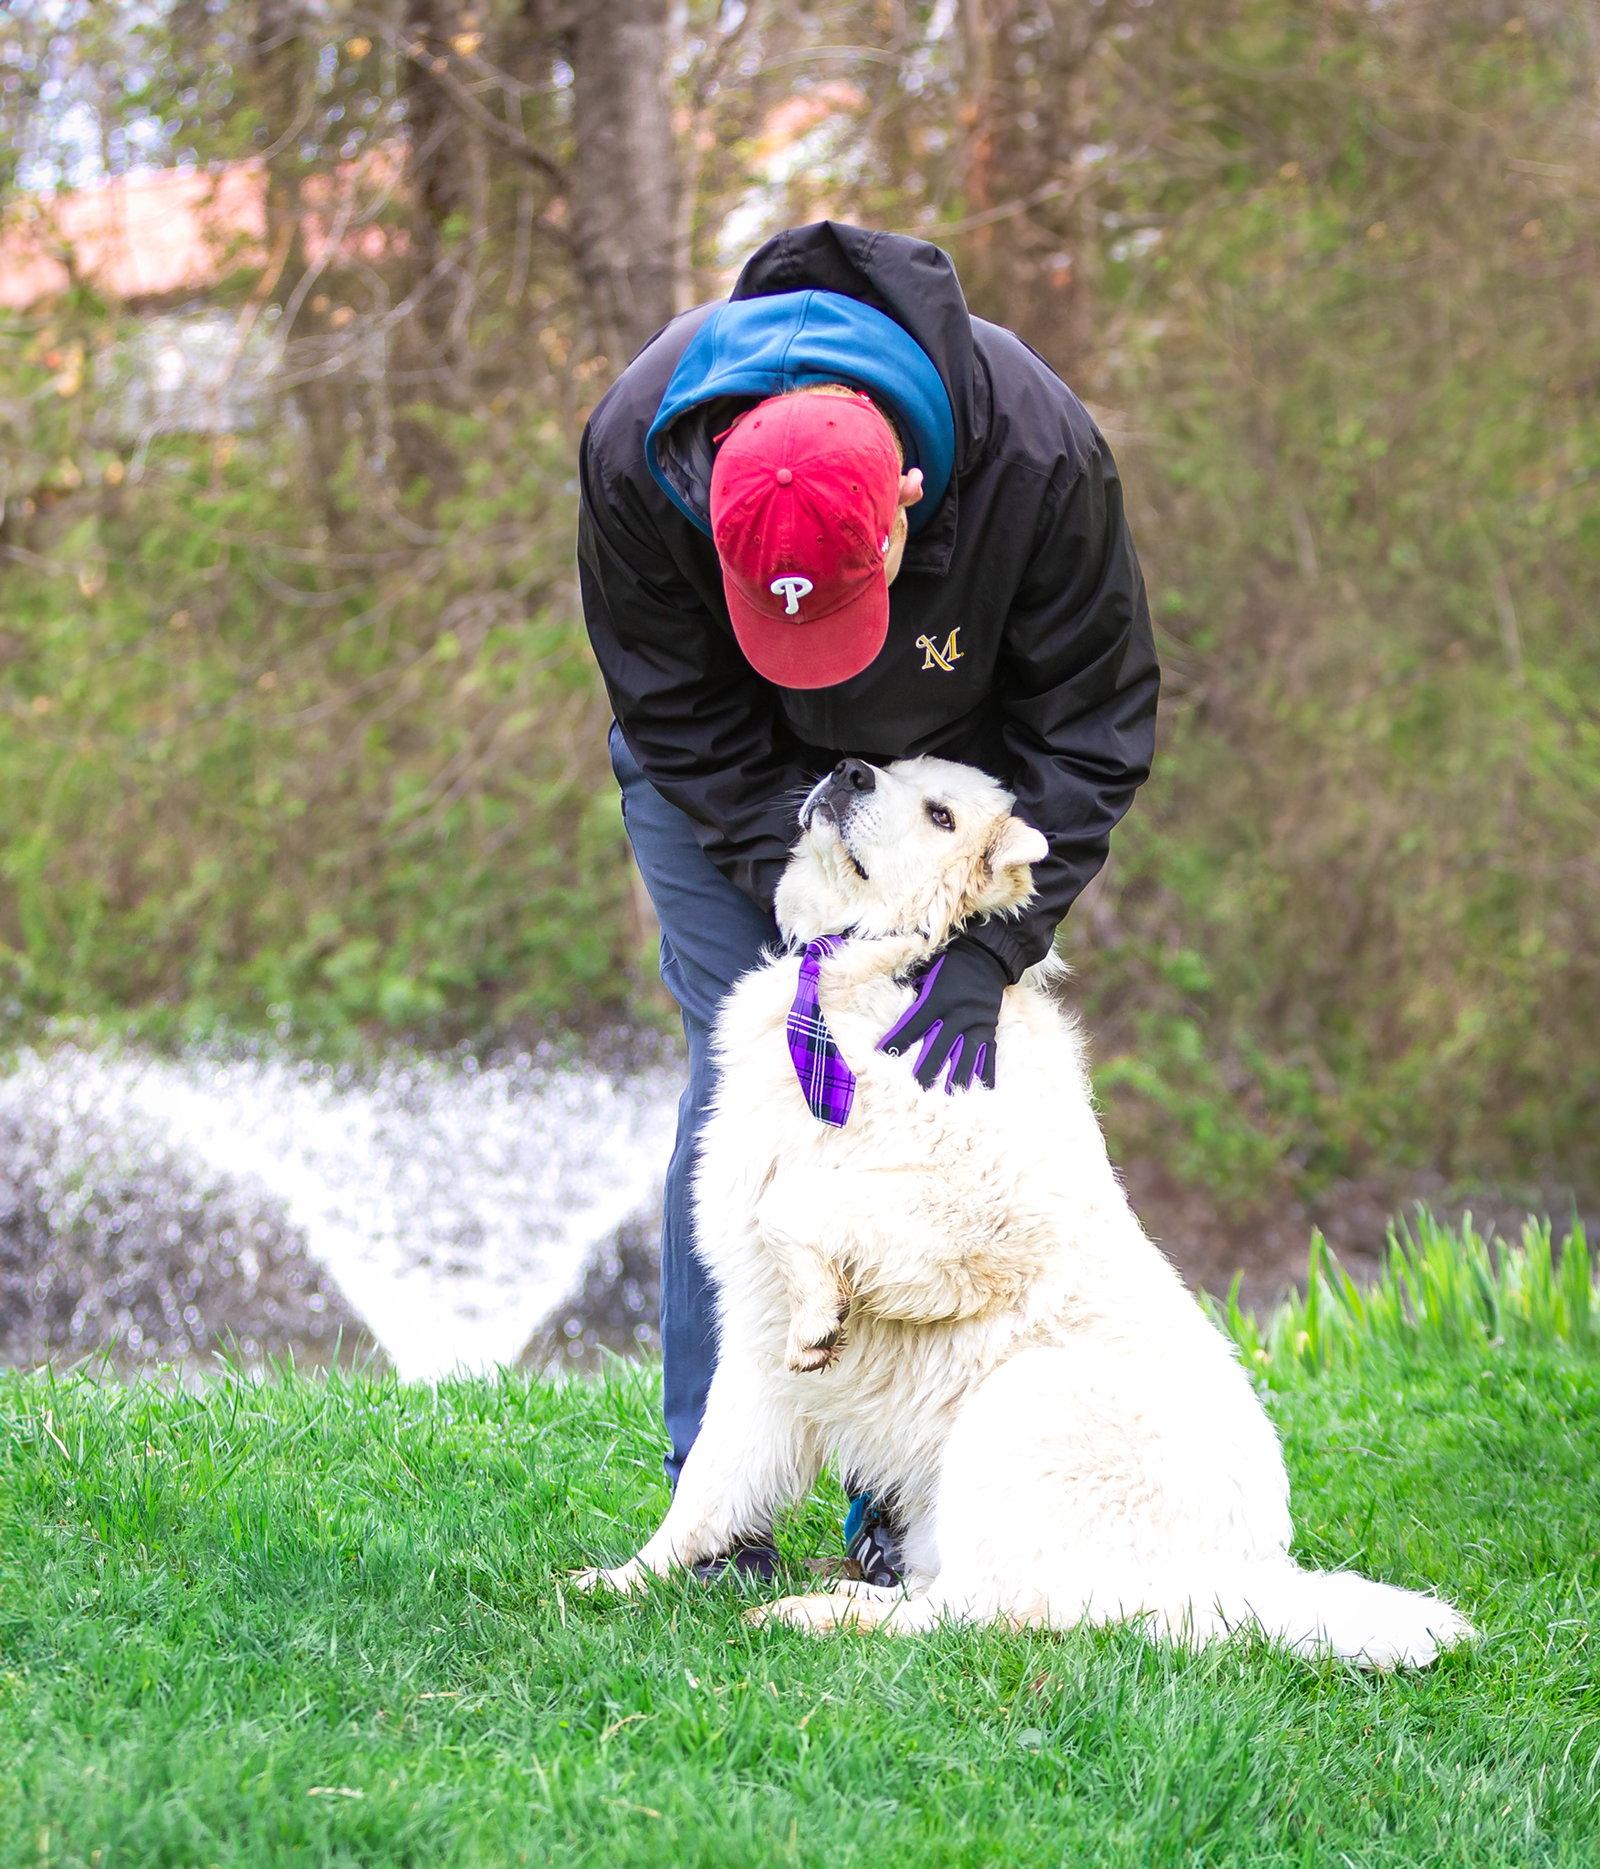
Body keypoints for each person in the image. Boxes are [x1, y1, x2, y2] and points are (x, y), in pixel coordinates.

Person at [577, 220, 1159, 1583]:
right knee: (761, 1097)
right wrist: (796, 896)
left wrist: (990, 937)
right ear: (705, 487)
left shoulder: (1037, 454)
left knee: (933, 1113)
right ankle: (716, 1519)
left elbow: (1097, 725)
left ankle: (907, 1501)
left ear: (905, 491)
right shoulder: (632, 451)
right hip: (731, 786)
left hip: (952, 789)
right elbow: (673, 707)